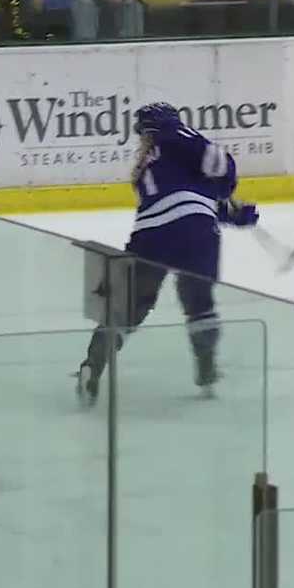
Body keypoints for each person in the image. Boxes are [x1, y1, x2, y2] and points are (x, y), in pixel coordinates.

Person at [76, 102, 260, 407]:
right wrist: (227, 190)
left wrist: (229, 213)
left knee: (128, 309)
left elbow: (177, 194)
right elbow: (215, 164)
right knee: (198, 300)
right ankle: (206, 369)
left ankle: (92, 367)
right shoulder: (176, 134)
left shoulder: (145, 164)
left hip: (149, 235)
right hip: (194, 231)